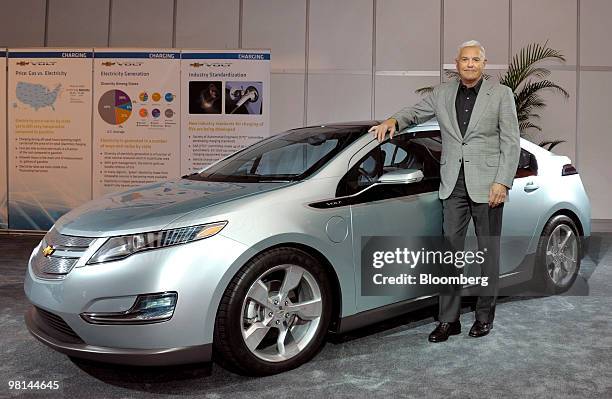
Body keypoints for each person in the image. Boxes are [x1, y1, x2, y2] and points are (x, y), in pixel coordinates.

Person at [369, 40, 520, 342]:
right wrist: (393, 119)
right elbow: (414, 112)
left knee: (487, 254)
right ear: (457, 63)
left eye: (476, 59)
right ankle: (448, 320)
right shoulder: (442, 93)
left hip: (488, 185)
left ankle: (484, 316)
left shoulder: (501, 95)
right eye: (465, 60)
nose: (470, 64)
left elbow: (511, 141)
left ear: (484, 63)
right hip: (453, 184)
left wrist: (502, 182)